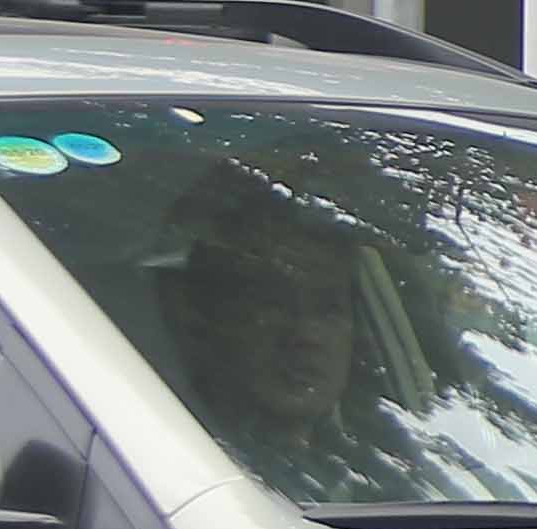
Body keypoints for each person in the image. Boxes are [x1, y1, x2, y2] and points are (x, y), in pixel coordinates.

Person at [160, 175, 404, 502]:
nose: (307, 335)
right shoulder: (161, 468)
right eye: (274, 305)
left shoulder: (377, 470)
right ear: (210, 319)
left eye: (329, 310)